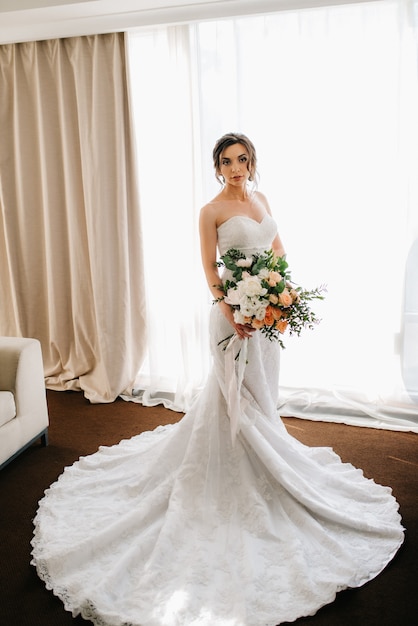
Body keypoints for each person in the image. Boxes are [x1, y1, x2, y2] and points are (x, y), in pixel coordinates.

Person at [31, 133, 404, 626]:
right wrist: (234, 312)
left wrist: (281, 297)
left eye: (242, 160)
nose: (235, 168)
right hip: (232, 318)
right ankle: (238, 475)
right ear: (216, 166)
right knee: (235, 398)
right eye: (227, 161)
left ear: (252, 162)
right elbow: (209, 270)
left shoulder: (262, 199)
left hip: (266, 317)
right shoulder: (210, 211)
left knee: (263, 394)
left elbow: (278, 249)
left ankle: (269, 459)